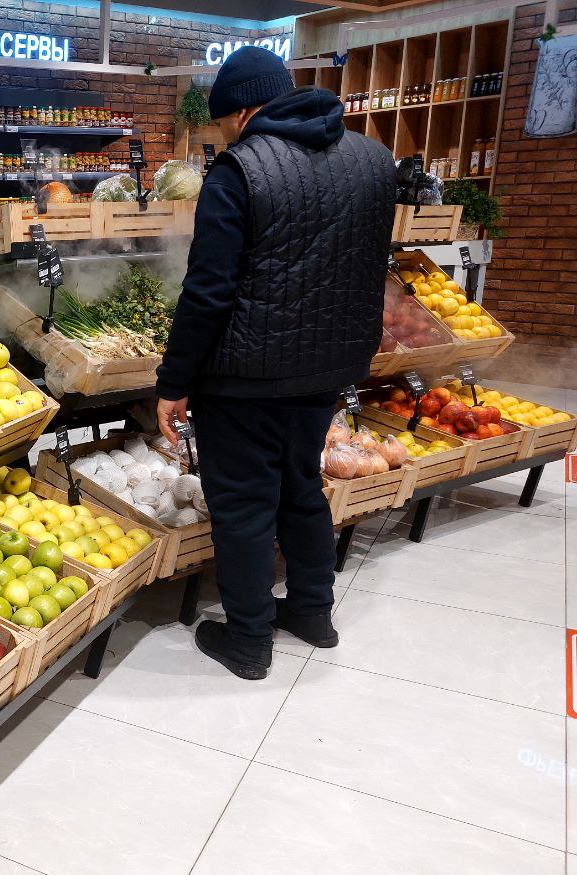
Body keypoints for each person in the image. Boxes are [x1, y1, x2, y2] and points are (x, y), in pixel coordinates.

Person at [155, 46, 396, 680]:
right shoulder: (373, 159)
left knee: (243, 504)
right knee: (301, 486)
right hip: (330, 364)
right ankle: (313, 612)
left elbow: (208, 291)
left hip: (246, 373)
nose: (225, 135)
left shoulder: (239, 170)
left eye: (222, 123)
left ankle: (248, 639)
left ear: (241, 112)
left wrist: (174, 380)